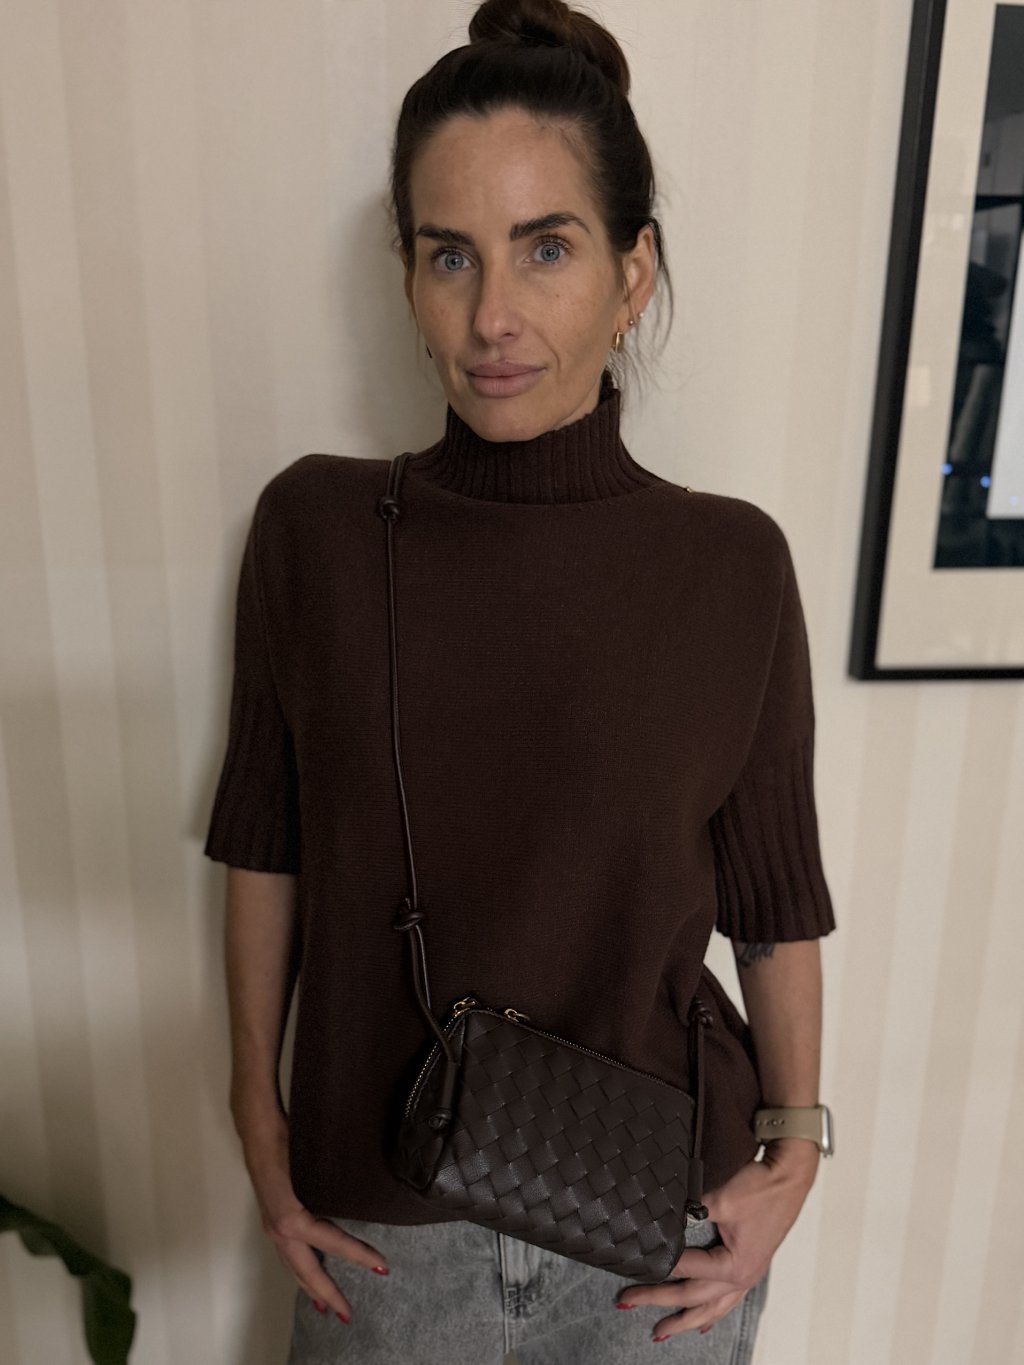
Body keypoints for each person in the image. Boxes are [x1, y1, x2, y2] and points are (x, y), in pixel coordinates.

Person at [203, 1, 836, 1361]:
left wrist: (796, 1150)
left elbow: (776, 905)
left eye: (546, 247)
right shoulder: (316, 531)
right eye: (451, 254)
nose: (492, 315)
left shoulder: (732, 564)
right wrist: (258, 1115)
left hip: (656, 1234)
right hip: (387, 1233)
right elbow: (267, 845)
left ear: (632, 272)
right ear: (408, 276)